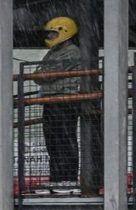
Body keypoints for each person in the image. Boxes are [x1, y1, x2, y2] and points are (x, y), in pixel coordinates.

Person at [33, 16, 82, 195]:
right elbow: (38, 74)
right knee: (53, 142)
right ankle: (56, 179)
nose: (50, 37)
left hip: (65, 101)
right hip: (51, 101)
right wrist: (44, 74)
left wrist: (44, 74)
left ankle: (69, 180)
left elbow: (47, 74)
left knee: (65, 140)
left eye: (53, 33)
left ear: (64, 32)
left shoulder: (73, 52)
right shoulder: (54, 52)